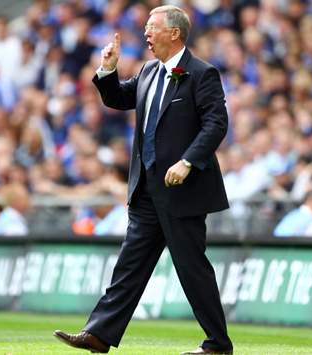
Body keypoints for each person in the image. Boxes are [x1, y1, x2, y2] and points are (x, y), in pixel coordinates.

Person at [54, 6, 233, 355]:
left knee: (191, 268)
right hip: (146, 189)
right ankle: (99, 334)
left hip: (182, 189)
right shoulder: (149, 70)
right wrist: (107, 68)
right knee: (129, 266)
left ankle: (218, 344)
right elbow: (119, 98)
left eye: (153, 28)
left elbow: (216, 124)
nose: (146, 33)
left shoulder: (201, 73)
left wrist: (187, 162)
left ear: (175, 33)